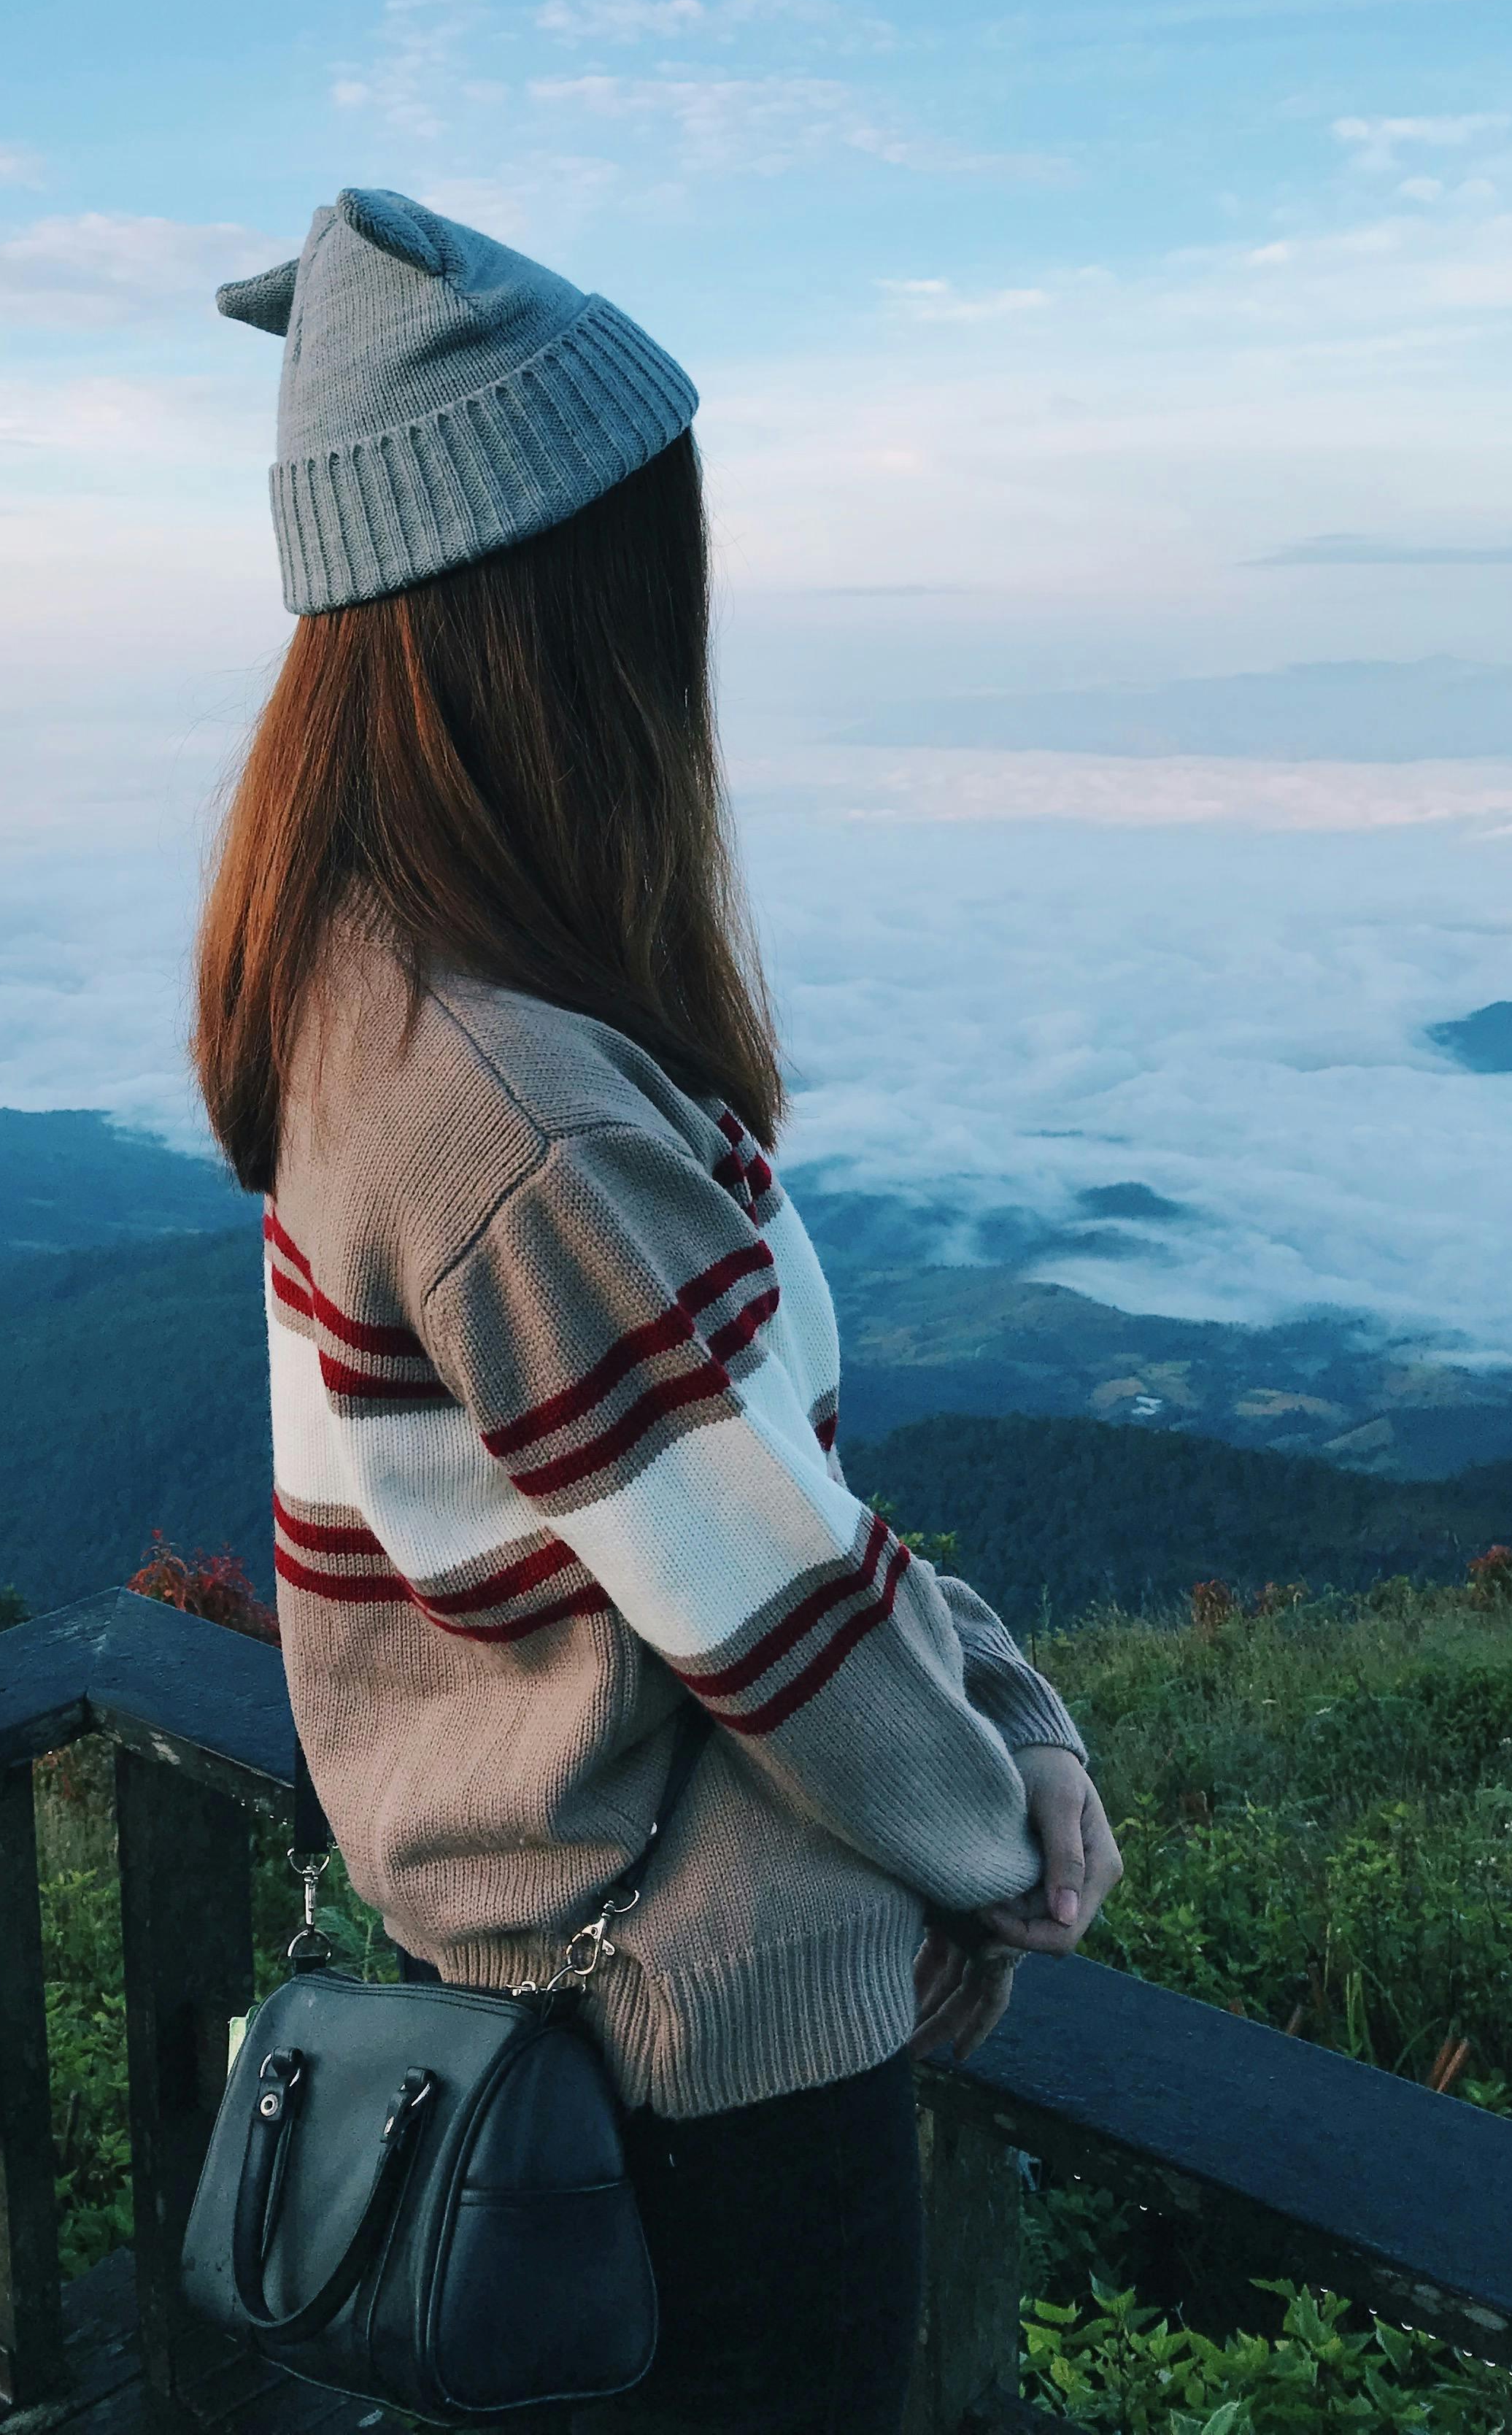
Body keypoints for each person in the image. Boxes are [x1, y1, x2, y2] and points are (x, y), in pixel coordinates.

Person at [193, 188, 1122, 2435]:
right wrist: (1012, 1823)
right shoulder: (521, 1111)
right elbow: (774, 1610)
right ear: (563, 606)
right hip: (702, 2067)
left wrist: (979, 1675)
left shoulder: (363, 985)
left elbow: (729, 1506)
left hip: (521, 2000)